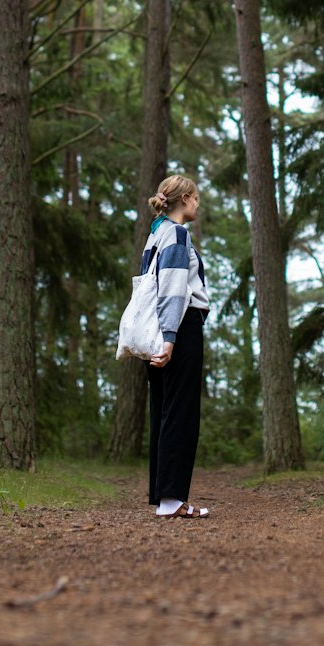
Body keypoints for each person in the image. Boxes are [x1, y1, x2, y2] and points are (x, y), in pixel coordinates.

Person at [142, 174, 210, 519]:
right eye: (195, 198)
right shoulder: (176, 234)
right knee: (180, 413)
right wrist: (170, 338)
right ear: (184, 198)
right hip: (179, 327)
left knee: (164, 411)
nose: (198, 204)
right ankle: (172, 500)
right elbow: (171, 287)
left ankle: (164, 497)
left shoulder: (155, 234)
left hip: (160, 327)